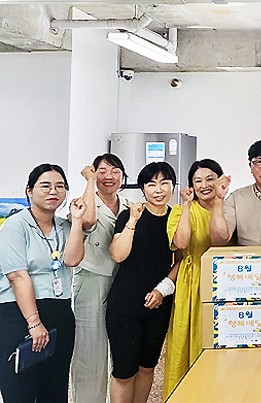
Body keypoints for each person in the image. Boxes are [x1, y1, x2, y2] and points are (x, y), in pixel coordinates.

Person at [0, 164, 86, 403]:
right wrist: (34, 323)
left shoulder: (64, 226)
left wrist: (77, 221)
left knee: (54, 389)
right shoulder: (15, 226)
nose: (53, 191)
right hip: (19, 314)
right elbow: (18, 277)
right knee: (21, 390)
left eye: (60, 186)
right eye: (45, 186)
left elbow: (72, 260)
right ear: (30, 190)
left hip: (59, 312)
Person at [107, 162, 181, 403]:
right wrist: (133, 221)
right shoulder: (129, 215)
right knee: (124, 372)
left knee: (147, 367)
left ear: (173, 186)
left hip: (158, 304)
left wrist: (163, 289)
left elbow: (182, 260)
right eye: (151, 184)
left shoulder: (176, 218)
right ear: (143, 188)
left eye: (164, 183)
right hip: (125, 305)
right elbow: (118, 255)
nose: (159, 190)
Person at [163, 159, 227, 400]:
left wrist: (219, 201)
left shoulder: (229, 208)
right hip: (192, 281)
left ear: (220, 181)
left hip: (224, 281)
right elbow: (181, 243)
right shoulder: (180, 210)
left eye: (210, 179)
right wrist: (187, 205)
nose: (204, 185)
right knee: (185, 343)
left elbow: (225, 240)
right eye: (197, 181)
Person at [71, 154, 133, 403]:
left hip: (121, 282)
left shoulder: (129, 205)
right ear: (93, 173)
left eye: (115, 171)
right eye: (102, 171)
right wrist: (88, 181)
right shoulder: (83, 202)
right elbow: (87, 221)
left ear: (123, 177)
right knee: (90, 352)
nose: (109, 176)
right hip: (92, 279)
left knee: (120, 350)